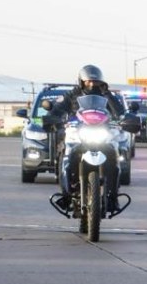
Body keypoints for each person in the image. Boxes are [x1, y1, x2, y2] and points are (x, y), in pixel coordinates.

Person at [44, 65, 128, 212]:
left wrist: (124, 118)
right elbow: (58, 108)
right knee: (66, 154)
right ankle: (66, 194)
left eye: (95, 82)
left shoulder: (107, 95)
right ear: (81, 82)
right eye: (88, 82)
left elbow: (120, 112)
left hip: (102, 132)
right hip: (78, 132)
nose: (92, 85)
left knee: (114, 156)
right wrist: (53, 117)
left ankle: (113, 197)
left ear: (101, 82)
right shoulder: (72, 95)